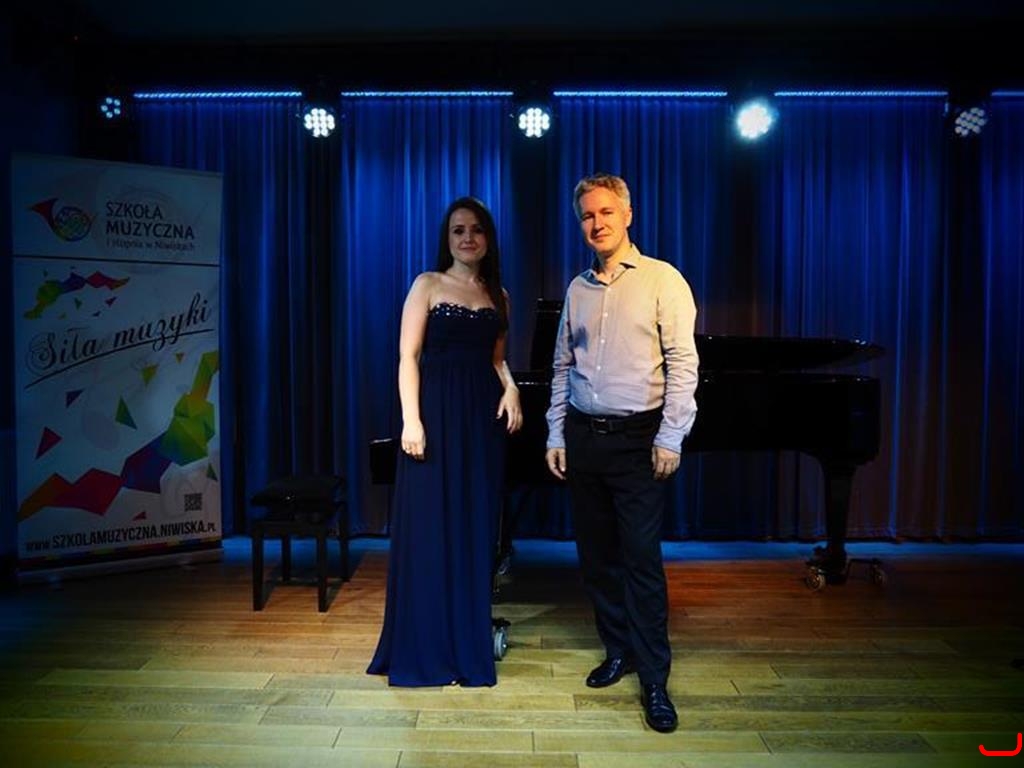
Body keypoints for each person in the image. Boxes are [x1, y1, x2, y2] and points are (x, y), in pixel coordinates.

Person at [544, 173, 699, 732]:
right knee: (596, 558)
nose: (597, 223)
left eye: (606, 212)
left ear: (628, 215)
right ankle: (618, 650)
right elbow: (562, 367)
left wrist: (670, 436)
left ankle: (655, 679)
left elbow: (683, 364)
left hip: (638, 441)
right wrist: (556, 434)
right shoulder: (577, 289)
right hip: (584, 437)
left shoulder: (663, 279)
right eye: (588, 215)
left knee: (641, 562)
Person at [368, 196, 522, 687]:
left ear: (488, 237)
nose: (468, 238)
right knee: (430, 529)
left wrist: (512, 388)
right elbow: (407, 357)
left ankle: (465, 645)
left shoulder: (499, 295)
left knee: (474, 530)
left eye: (476, 229)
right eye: (458, 230)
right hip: (434, 416)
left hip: (481, 423)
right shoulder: (427, 284)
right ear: (447, 238)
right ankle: (428, 650)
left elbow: (497, 360)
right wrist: (411, 421)